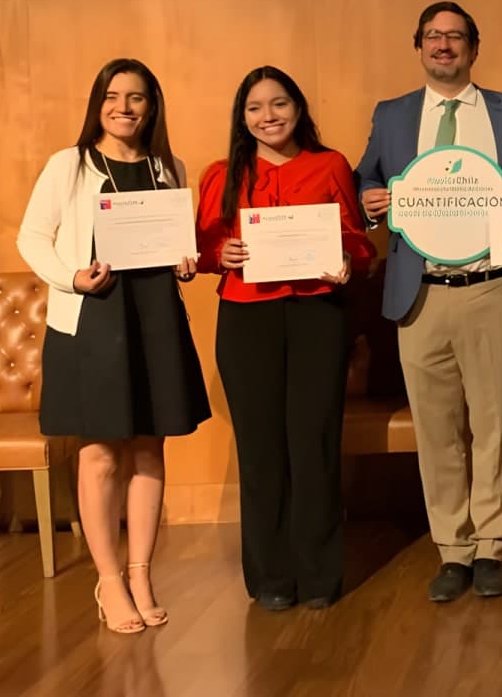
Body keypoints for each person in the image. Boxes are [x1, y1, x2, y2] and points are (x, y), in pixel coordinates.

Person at [355, 1, 502, 602]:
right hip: (420, 294)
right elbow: (367, 176)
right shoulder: (391, 115)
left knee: (493, 425)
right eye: (433, 36)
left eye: (456, 36)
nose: (444, 45)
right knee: (437, 430)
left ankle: (491, 545)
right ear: (418, 46)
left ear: (474, 46)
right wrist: (370, 199)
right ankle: (452, 549)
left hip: (490, 288)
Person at [17, 58, 210, 635]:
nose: (124, 108)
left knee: (151, 450)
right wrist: (70, 277)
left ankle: (141, 573)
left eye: (137, 98)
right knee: (101, 453)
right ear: (97, 103)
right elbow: (30, 235)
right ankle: (108, 579)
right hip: (95, 318)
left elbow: (178, 245)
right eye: (113, 96)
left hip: (155, 318)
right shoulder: (68, 166)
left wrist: (186, 260)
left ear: (152, 107)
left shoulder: (168, 167)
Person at [194, 67, 376, 612]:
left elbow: (358, 244)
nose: (267, 117)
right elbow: (202, 250)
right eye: (255, 108)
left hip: (317, 314)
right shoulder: (221, 173)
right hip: (247, 317)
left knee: (314, 441)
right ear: (242, 116)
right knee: (261, 448)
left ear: (298, 109)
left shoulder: (330, 165)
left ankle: (319, 574)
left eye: (278, 104)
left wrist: (348, 260)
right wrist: (216, 257)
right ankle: (270, 576)